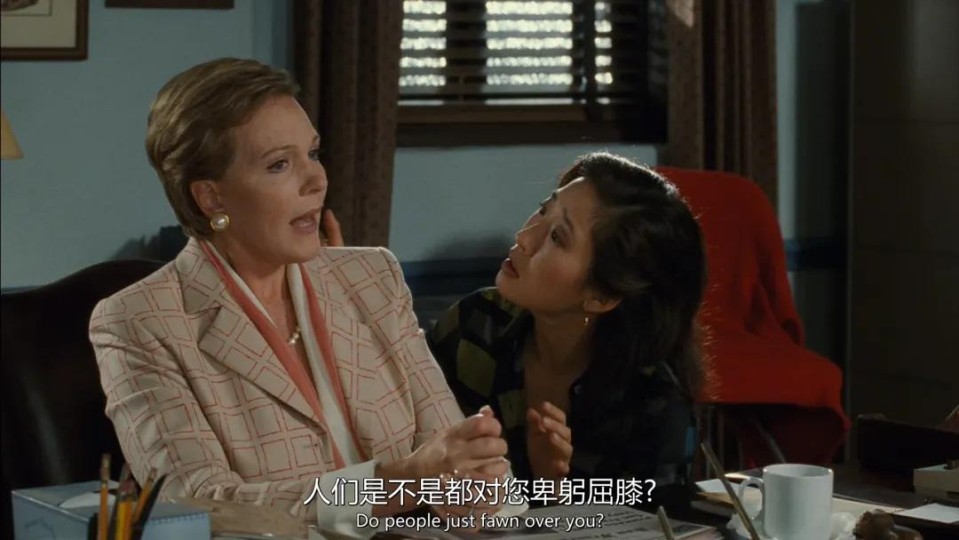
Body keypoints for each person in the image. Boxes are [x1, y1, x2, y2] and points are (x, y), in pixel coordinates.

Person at [89, 58, 519, 539]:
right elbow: (197, 501)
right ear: (211, 198)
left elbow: (448, 454)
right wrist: (403, 480)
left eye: (313, 153)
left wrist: (475, 478)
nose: (317, 180)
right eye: (279, 164)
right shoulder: (140, 320)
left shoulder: (371, 277)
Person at [426, 153, 708, 510]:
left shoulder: (654, 405)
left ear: (602, 297)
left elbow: (656, 526)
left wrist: (553, 489)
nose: (524, 237)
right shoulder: (476, 324)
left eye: (557, 237)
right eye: (544, 209)